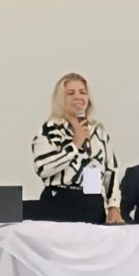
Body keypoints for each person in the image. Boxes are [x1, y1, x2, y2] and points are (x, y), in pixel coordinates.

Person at [31, 73, 123, 224]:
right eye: (70, 93)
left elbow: (110, 171)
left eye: (82, 92)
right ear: (60, 99)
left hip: (93, 201)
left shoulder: (98, 131)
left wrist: (114, 206)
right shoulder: (50, 130)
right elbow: (43, 168)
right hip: (60, 201)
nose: (78, 97)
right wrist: (74, 145)